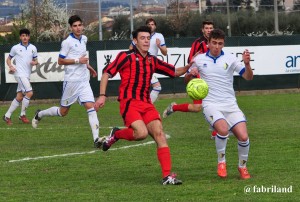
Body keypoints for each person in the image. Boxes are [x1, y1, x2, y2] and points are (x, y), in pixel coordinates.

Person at [94, 26, 194, 185]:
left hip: (146, 103)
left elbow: (174, 71)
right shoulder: (125, 57)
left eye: (148, 38)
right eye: (142, 38)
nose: (146, 41)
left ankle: (167, 177)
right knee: (140, 133)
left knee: (159, 134)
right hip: (129, 102)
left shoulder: (152, 60)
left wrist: (189, 67)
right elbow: (106, 73)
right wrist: (102, 96)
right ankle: (117, 134)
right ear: (134, 41)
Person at [189, 29, 253, 179]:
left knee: (243, 137)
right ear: (208, 43)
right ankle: (221, 162)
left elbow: (248, 77)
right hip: (210, 104)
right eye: (214, 43)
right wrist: (191, 75)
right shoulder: (199, 59)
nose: (217, 46)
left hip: (230, 105)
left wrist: (247, 64)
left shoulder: (231, 59)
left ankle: (242, 167)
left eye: (220, 43)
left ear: (223, 44)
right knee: (223, 130)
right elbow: (186, 80)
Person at [31, 15, 102, 148]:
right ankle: (40, 114)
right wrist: (77, 61)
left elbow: (82, 57)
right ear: (71, 28)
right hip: (71, 82)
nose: (78, 28)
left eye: (79, 25)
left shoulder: (84, 39)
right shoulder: (67, 42)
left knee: (91, 107)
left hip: (83, 81)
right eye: (75, 26)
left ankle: (96, 139)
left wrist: (88, 66)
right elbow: (60, 61)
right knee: (63, 112)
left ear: (83, 26)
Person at [162, 20, 217, 138]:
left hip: (212, 77)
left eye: (211, 28)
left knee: (212, 103)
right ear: (202, 30)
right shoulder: (198, 43)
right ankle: (174, 107)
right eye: (206, 28)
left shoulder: (216, 42)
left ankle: (216, 130)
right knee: (198, 107)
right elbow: (190, 61)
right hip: (199, 78)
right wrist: (194, 68)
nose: (209, 30)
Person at [3, 28, 38, 125]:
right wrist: (11, 66)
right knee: (29, 93)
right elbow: (8, 59)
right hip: (19, 74)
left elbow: (37, 61)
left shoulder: (33, 48)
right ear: (20, 37)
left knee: (19, 97)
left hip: (27, 75)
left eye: (26, 35)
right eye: (23, 36)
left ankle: (7, 116)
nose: (24, 37)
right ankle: (22, 115)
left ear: (29, 37)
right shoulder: (15, 48)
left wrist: (34, 62)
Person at [129, 18, 167, 103]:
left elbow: (165, 52)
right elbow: (131, 48)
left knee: (143, 89)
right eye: (149, 24)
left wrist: (159, 46)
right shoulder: (141, 35)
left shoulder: (159, 36)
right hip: (142, 65)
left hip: (151, 66)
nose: (150, 26)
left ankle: (141, 106)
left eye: (152, 24)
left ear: (155, 26)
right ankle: (147, 106)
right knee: (157, 87)